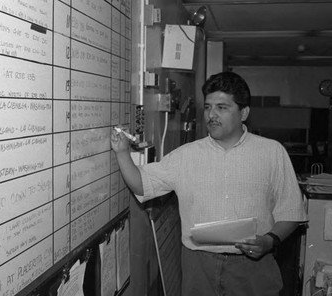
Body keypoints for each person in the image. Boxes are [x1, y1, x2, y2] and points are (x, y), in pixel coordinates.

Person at [111, 71, 307, 296]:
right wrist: (122, 152)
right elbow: (142, 185)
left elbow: (291, 211)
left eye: (222, 107)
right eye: (207, 107)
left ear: (243, 113)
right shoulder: (186, 155)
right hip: (198, 266)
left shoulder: (272, 153)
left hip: (253, 267)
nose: (211, 115)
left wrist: (269, 241)